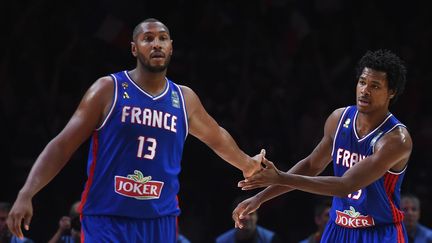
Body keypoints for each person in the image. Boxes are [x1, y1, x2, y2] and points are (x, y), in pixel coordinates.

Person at [6, 18, 264, 242]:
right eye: (147, 38)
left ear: (171, 47)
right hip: (107, 217)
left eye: (163, 38)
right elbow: (62, 145)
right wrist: (26, 192)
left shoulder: (183, 98)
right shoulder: (108, 89)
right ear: (134, 48)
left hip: (159, 219)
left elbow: (217, 137)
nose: (156, 44)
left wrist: (246, 163)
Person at [233, 49, 412, 242]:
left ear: (391, 92)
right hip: (339, 228)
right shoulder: (339, 119)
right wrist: (260, 198)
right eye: (362, 82)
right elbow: (311, 165)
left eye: (375, 86)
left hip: (378, 232)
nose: (364, 91)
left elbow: (346, 185)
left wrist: (280, 178)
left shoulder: (395, 139)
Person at [216, 195, 282, 243]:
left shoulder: (271, 239)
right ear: (233, 217)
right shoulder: (221, 241)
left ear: (257, 216)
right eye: (242, 214)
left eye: (251, 213)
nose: (247, 218)